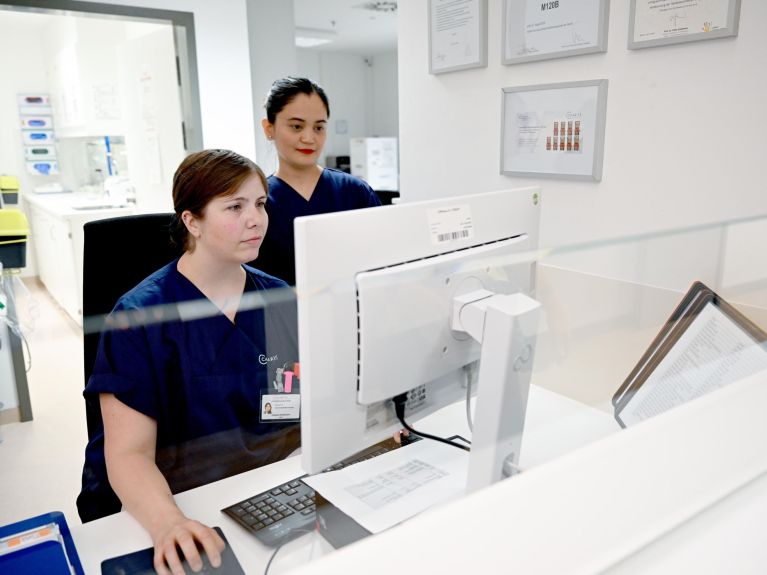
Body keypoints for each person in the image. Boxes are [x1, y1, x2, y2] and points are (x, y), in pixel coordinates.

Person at [77, 149, 299, 575]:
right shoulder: (140, 316)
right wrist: (169, 524)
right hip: (172, 500)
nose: (256, 219)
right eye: (235, 206)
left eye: (260, 203)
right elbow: (127, 454)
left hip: (255, 489)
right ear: (192, 221)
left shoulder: (278, 298)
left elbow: (293, 401)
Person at [256, 76, 382, 285]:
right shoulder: (259, 202)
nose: (309, 138)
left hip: (354, 313)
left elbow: (383, 260)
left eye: (318, 127)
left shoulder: (355, 192)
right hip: (286, 316)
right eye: (296, 126)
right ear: (269, 128)